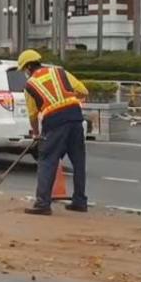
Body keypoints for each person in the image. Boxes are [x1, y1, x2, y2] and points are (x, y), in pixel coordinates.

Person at [18, 49, 89, 216]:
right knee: (78, 161)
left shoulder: (30, 85)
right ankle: (80, 202)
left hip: (55, 122)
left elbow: (33, 115)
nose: (25, 73)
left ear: (29, 67)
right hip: (75, 117)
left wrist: (36, 134)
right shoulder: (59, 71)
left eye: (24, 70)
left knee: (47, 160)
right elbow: (83, 90)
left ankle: (42, 203)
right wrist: (69, 100)